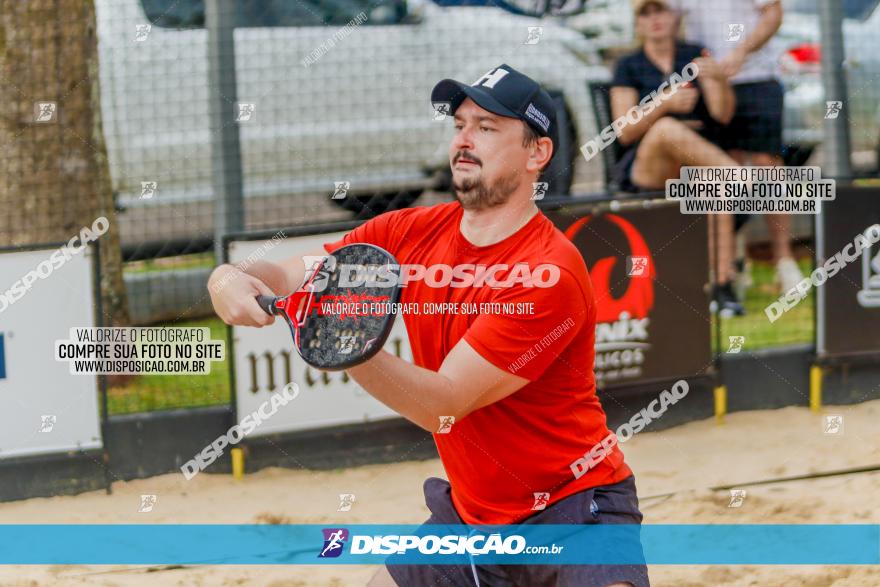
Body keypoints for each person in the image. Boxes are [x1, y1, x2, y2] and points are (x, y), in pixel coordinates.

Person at [209, 64, 649, 586]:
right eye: (460, 125)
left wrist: (342, 340)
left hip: (575, 513)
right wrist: (227, 278)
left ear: (538, 154)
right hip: (472, 519)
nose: (464, 139)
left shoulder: (548, 270)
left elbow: (441, 403)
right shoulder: (405, 232)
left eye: (487, 128)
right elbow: (284, 272)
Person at [611, 0, 745, 316]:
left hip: (695, 166)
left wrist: (719, 81)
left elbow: (722, 115)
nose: (655, 19)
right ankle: (744, 179)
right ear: (638, 24)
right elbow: (623, 131)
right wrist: (663, 104)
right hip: (648, 167)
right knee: (668, 129)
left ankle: (722, 288)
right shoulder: (628, 65)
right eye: (646, 13)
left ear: (676, 17)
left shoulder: (695, 55)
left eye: (661, 10)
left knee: (717, 184)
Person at [670, 0, 804, 293]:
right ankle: (732, 264)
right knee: (723, 170)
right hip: (709, 85)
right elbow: (668, 20)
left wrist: (741, 52)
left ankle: (784, 260)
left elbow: (773, 13)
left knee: (768, 167)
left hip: (757, 77)